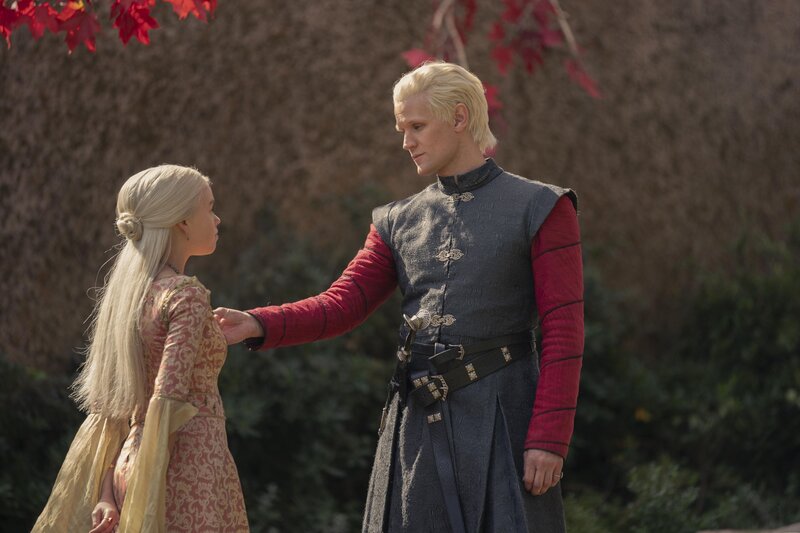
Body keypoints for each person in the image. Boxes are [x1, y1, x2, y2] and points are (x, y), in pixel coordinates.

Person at [217, 61, 584, 533]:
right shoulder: (398, 219)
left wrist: (549, 439)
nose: (406, 142)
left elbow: (564, 331)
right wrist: (257, 322)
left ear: (459, 118)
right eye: (402, 129)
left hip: (504, 418)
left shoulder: (542, 207)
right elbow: (343, 303)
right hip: (418, 423)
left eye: (417, 126)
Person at [33, 165, 248, 533]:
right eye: (209, 208)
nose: (217, 219)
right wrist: (148, 496)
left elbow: (119, 407)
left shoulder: (131, 295)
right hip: (187, 471)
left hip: (130, 463)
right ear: (182, 222)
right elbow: (168, 402)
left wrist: (109, 492)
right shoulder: (185, 295)